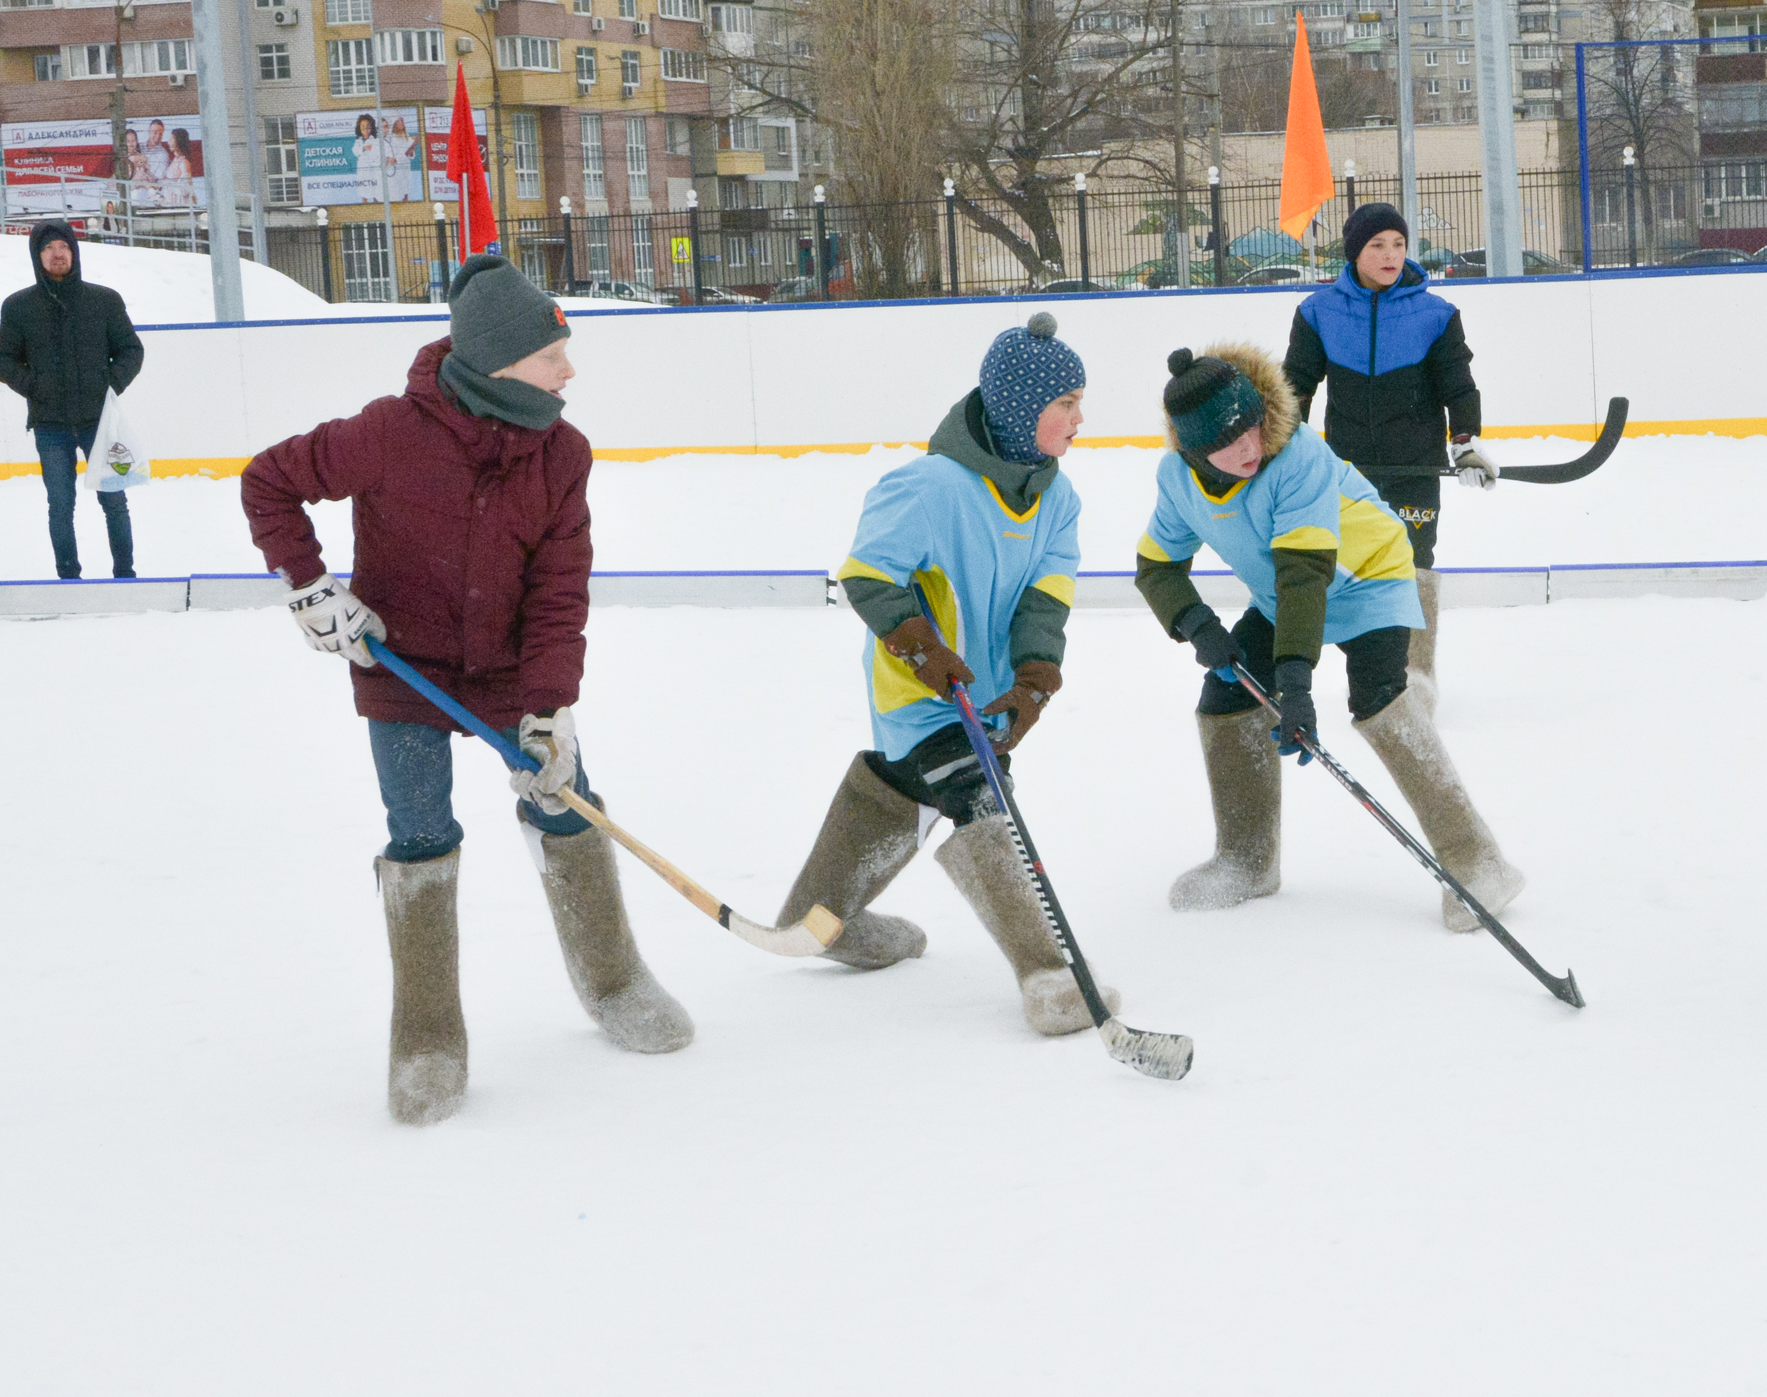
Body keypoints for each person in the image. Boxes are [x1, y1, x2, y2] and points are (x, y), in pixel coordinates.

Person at [239, 248, 692, 1124]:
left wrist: (551, 709)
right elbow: (270, 482)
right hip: (399, 667)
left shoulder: (562, 456)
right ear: (501, 362)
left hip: (512, 673)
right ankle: (428, 1036)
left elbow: (561, 589)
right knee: (419, 834)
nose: (570, 368)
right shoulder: (387, 434)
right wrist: (310, 586)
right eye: (553, 353)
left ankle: (614, 980)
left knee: (567, 801)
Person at [770, 312, 1106, 1037]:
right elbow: (867, 576)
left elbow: (1044, 602)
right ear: (1023, 411)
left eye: (1079, 401)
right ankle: (1049, 974)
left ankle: (816, 919)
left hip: (985, 695)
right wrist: (926, 653)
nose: (1081, 418)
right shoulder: (925, 486)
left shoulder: (1059, 501)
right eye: (1067, 404)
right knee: (982, 797)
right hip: (920, 689)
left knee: (905, 785)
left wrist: (1035, 680)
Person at [1138, 342, 1523, 929]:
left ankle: (1479, 861)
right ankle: (1247, 859)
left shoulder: (1296, 458)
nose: (1247, 448)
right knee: (1226, 699)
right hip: (1284, 595)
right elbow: (1156, 566)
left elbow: (1304, 573)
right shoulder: (1177, 480)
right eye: (1224, 442)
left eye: (1251, 428)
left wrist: (1295, 683)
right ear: (1192, 451)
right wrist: (1196, 624)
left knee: (1380, 701)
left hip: (1368, 576)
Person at [1282, 202, 1494, 707]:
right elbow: (1295, 386)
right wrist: (1284, 444)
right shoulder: (1318, 312)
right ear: (1355, 252)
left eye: (1398, 244)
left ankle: (1417, 676)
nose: (1390, 254)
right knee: (1351, 566)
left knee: (1415, 565)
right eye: (1377, 245)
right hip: (1348, 470)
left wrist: (1464, 443)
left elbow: (1458, 386)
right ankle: (1375, 673)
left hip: (1415, 466)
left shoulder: (1436, 314)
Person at [0, 221, 143, 580]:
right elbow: (3, 358)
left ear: (74, 251)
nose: (57, 254)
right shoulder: (17, 307)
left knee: (114, 502)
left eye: (63, 246)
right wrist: (33, 386)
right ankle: (68, 576)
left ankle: (125, 574)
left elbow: (130, 350)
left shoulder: (104, 300)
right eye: (48, 248)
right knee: (60, 505)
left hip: (99, 421)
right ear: (37, 255)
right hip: (50, 425)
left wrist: (108, 384)